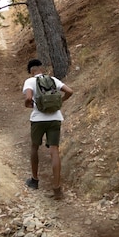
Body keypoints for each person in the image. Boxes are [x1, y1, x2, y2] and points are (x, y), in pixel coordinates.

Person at [22, 58, 73, 200]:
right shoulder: (53, 79)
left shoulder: (30, 81)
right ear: (41, 69)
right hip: (55, 118)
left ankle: (34, 180)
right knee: (54, 150)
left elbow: (28, 98)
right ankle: (57, 189)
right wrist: (60, 102)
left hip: (38, 119)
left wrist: (28, 104)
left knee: (34, 147)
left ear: (31, 71)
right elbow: (70, 91)